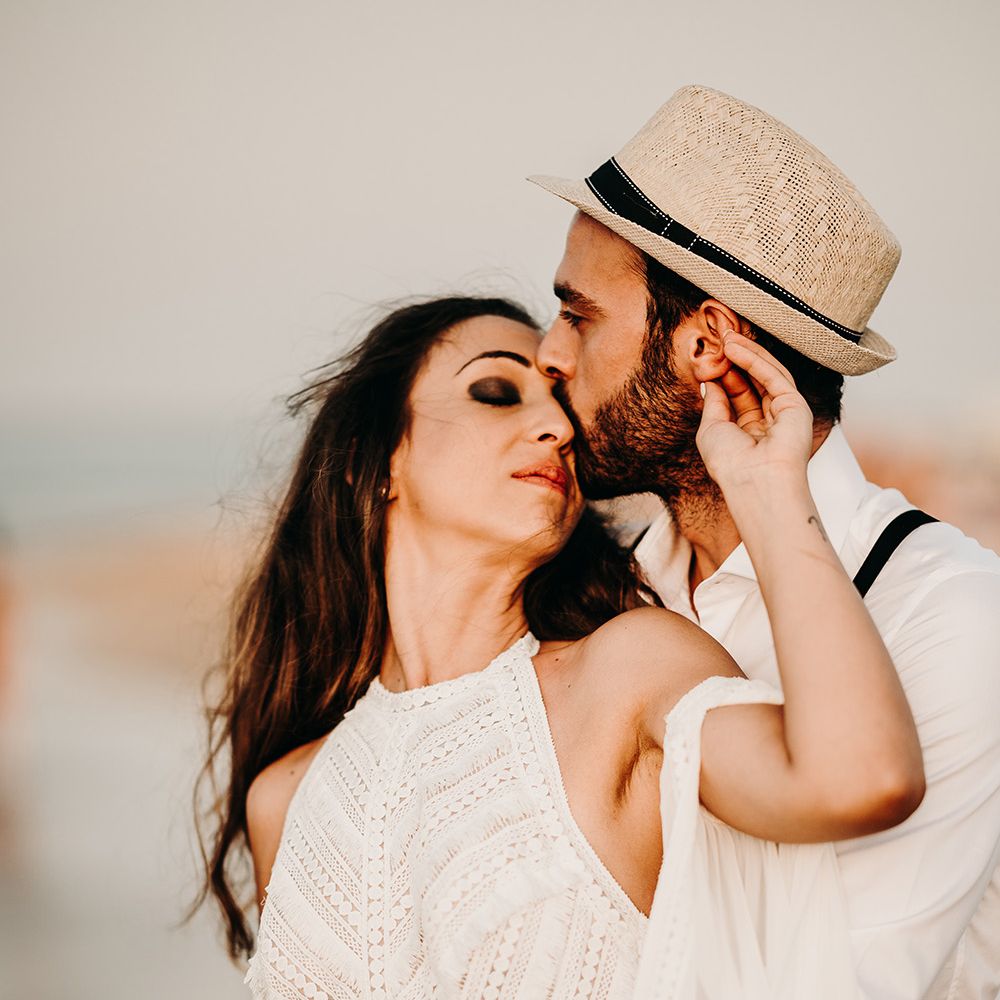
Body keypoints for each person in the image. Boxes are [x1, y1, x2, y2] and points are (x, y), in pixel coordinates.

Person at [194, 294, 925, 999]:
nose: (558, 427)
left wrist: (768, 487)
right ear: (374, 459)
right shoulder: (286, 800)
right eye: (496, 391)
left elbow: (861, 779)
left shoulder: (626, 677)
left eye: (559, 403)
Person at [529, 83, 1000, 999]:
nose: (549, 352)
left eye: (579, 315)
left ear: (708, 346)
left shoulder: (947, 615)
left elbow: (842, 981)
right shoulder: (604, 590)